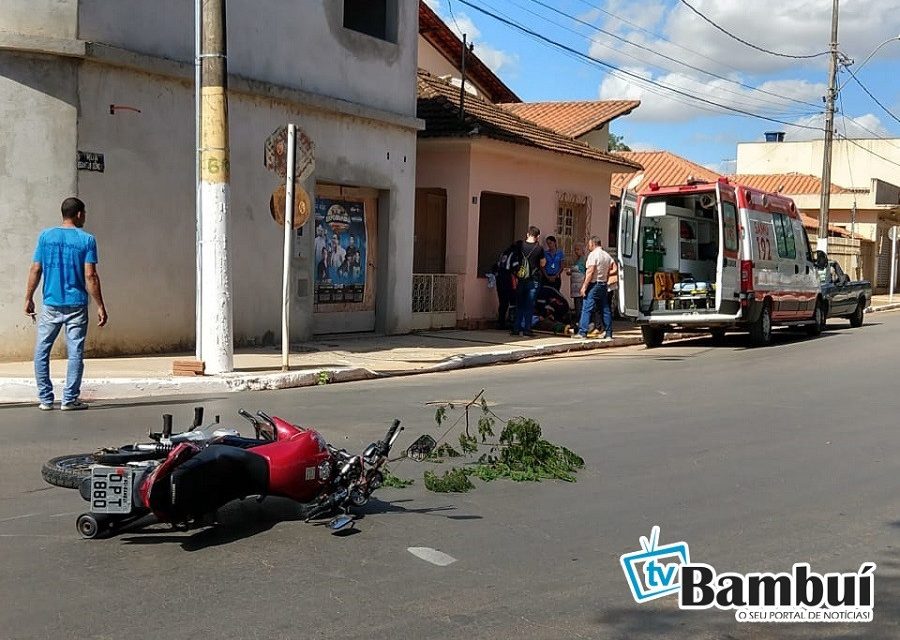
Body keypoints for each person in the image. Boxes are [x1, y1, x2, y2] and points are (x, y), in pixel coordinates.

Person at [25, 197, 107, 410]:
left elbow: (36, 269)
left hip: (51, 303)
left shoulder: (45, 237)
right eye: (84, 213)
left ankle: (45, 398)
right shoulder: (87, 240)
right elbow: (91, 275)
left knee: (42, 350)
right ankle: (69, 399)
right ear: (79, 214)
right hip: (77, 304)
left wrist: (28, 297)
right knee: (75, 352)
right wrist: (100, 305)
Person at [574, 235, 613, 341]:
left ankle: (582, 332)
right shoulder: (607, 256)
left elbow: (590, 271)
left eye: (589, 244)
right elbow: (611, 270)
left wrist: (584, 286)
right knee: (605, 308)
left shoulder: (593, 255)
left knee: (586, 308)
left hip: (594, 284)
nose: (588, 246)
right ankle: (608, 333)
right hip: (603, 284)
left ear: (593, 243)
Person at [512, 226, 545, 337]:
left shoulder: (520, 246)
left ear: (527, 234)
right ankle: (527, 329)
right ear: (538, 236)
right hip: (534, 278)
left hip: (521, 278)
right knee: (529, 305)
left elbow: (514, 260)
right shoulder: (539, 248)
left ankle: (516, 328)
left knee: (520, 304)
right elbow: (542, 263)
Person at [492, 242, 520, 330]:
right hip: (508, 279)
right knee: (512, 301)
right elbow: (516, 268)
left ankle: (501, 322)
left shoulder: (504, 253)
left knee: (502, 302)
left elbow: (496, 266)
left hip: (499, 279)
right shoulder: (514, 255)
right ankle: (511, 322)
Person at [566, 242, 586, 323]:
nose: (576, 251)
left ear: (582, 250)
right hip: (575, 286)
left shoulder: (584, 260)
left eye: (578, 249)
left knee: (580, 305)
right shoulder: (576, 260)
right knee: (577, 304)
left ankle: (581, 322)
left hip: (580, 285)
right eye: (575, 250)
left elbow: (583, 271)